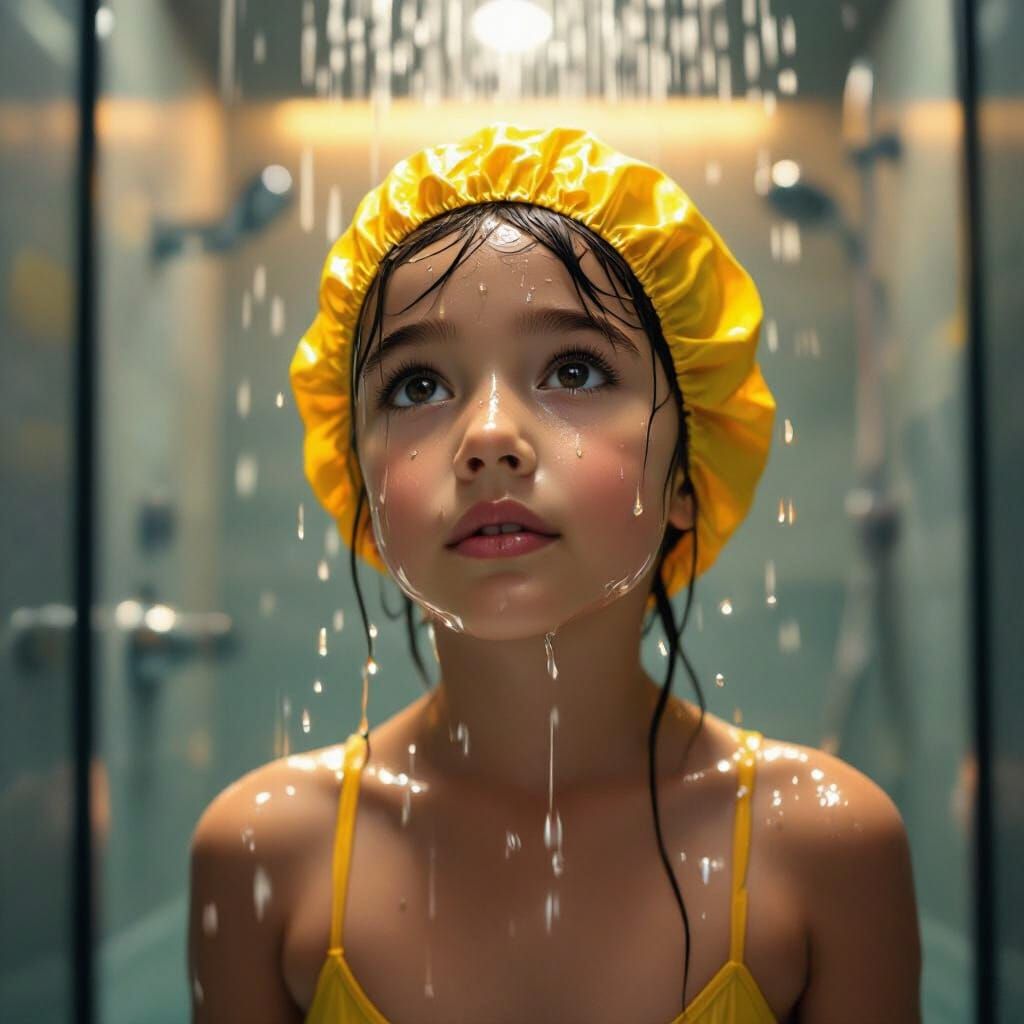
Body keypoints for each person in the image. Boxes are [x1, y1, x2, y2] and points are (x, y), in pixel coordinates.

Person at [187, 124, 921, 1023]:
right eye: (418, 387)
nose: (490, 436)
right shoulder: (261, 849)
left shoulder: (828, 844)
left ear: (687, 477)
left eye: (574, 369)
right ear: (364, 482)